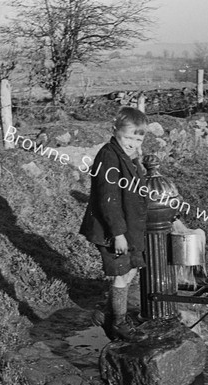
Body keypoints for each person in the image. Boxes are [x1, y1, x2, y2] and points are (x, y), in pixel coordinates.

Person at [80, 107, 149, 342]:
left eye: (138, 138)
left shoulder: (126, 157)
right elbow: (108, 200)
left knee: (130, 271)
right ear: (114, 131)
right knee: (121, 274)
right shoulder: (108, 157)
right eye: (128, 137)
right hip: (113, 229)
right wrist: (118, 234)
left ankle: (106, 311)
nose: (133, 142)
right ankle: (119, 322)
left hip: (128, 227)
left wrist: (137, 161)